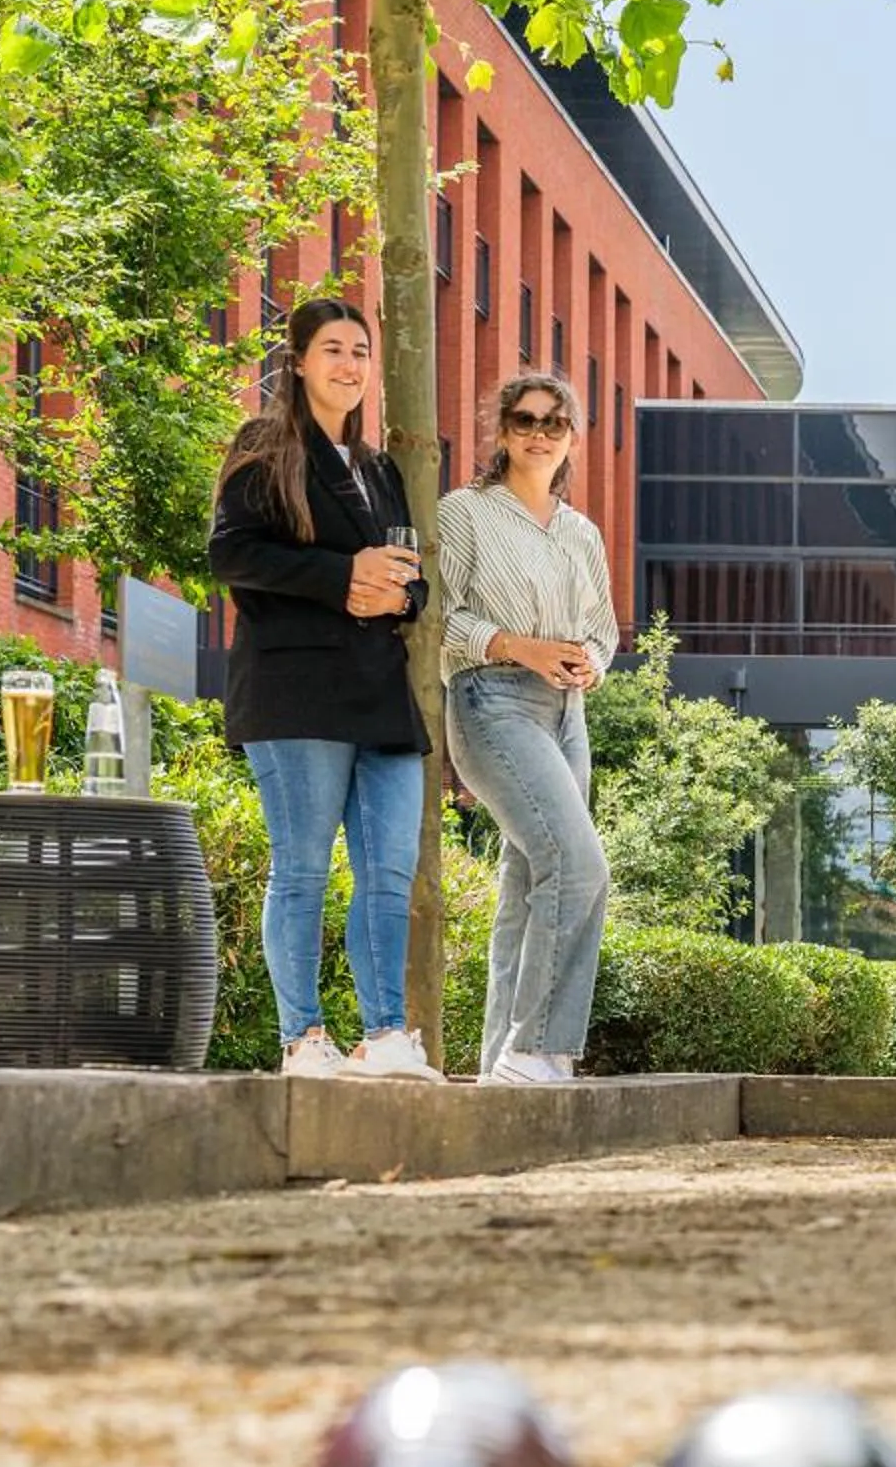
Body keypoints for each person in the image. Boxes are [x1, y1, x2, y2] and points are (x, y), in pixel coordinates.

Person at [207, 297, 440, 1081]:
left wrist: (398, 596)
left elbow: (413, 584)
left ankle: (386, 1037)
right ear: (299, 361)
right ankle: (302, 1038)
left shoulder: (380, 470)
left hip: (380, 693)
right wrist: (343, 578)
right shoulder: (263, 446)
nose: (349, 364)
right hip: (294, 687)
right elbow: (234, 554)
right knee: (302, 866)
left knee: (387, 871)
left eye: (361, 351)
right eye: (333, 349)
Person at [435, 372, 618, 1086]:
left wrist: (591, 664)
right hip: (493, 701)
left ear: (572, 437)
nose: (539, 433)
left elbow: (601, 629)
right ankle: (540, 1046)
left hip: (568, 715)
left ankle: (500, 1067)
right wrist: (519, 646)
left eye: (554, 422)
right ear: (502, 432)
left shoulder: (581, 532)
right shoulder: (465, 513)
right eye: (524, 420)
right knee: (578, 866)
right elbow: (437, 620)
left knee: (529, 885)